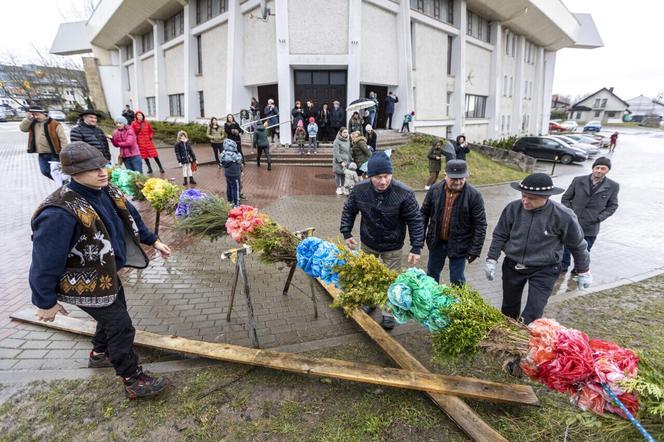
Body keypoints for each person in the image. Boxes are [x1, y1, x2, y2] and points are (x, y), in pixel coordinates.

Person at [29, 141, 172, 399]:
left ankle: (99, 354)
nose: (101, 172)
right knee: (121, 325)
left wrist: (153, 241)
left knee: (112, 317)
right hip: (81, 281)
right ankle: (132, 378)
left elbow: (131, 217)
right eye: (92, 168)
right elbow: (44, 259)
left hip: (105, 276)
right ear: (73, 172)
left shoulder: (107, 190)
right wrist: (44, 301)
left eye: (102, 165)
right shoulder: (59, 211)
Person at [485, 173, 592, 324]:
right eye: (523, 195)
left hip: (545, 268)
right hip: (513, 265)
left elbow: (578, 245)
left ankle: (527, 337)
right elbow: (500, 234)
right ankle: (507, 338)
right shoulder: (513, 209)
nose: (525, 201)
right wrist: (492, 258)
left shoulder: (563, 216)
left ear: (546, 196)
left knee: (534, 312)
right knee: (508, 308)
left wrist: (584, 270)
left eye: (532, 198)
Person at [340, 151, 424, 329]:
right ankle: (370, 301)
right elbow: (349, 210)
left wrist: (416, 247)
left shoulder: (404, 193)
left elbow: (415, 220)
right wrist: (346, 232)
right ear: (370, 176)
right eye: (378, 177)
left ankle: (388, 312)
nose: (383, 181)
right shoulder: (359, 190)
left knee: (390, 280)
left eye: (386, 176)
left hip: (392, 246)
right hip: (368, 241)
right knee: (367, 275)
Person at [421, 160, 487, 285]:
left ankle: (457, 303)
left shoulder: (474, 195)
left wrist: (475, 250)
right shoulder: (434, 190)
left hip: (460, 244)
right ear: (445, 175)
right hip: (436, 242)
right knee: (431, 275)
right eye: (453, 179)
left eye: (461, 178)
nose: (457, 182)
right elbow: (423, 214)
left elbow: (480, 224)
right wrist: (418, 241)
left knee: (457, 280)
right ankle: (431, 300)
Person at [560, 157, 619, 273]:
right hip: (572, 222)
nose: (599, 170)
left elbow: (613, 206)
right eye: (597, 167)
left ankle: (578, 271)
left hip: (591, 225)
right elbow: (566, 198)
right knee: (565, 247)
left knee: (584, 250)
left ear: (607, 170)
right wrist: (570, 212)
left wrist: (599, 218)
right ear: (593, 168)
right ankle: (562, 268)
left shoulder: (613, 186)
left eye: (603, 168)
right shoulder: (578, 180)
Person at [20, 105, 68, 180]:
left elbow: (63, 139)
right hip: (42, 154)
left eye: (37, 114)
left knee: (56, 172)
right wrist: (28, 119)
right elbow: (23, 129)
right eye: (33, 115)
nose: (35, 117)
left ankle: (63, 183)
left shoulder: (54, 124)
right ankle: (62, 182)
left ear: (43, 113)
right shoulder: (32, 123)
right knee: (45, 171)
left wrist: (64, 152)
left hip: (54, 153)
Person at [220, 139, 243, 207]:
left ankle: (230, 200)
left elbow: (221, 163)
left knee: (229, 186)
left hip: (227, 173)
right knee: (236, 188)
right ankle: (236, 203)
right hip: (235, 174)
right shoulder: (235, 154)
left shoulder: (223, 154)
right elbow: (239, 159)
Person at [333, 127, 352, 195]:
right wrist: (341, 161)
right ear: (340, 133)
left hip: (346, 161)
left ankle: (343, 187)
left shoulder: (348, 140)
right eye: (344, 132)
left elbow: (349, 151)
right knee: (338, 174)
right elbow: (336, 152)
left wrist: (349, 160)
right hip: (338, 161)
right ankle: (338, 187)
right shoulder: (337, 141)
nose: (346, 134)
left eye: (346, 132)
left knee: (344, 174)